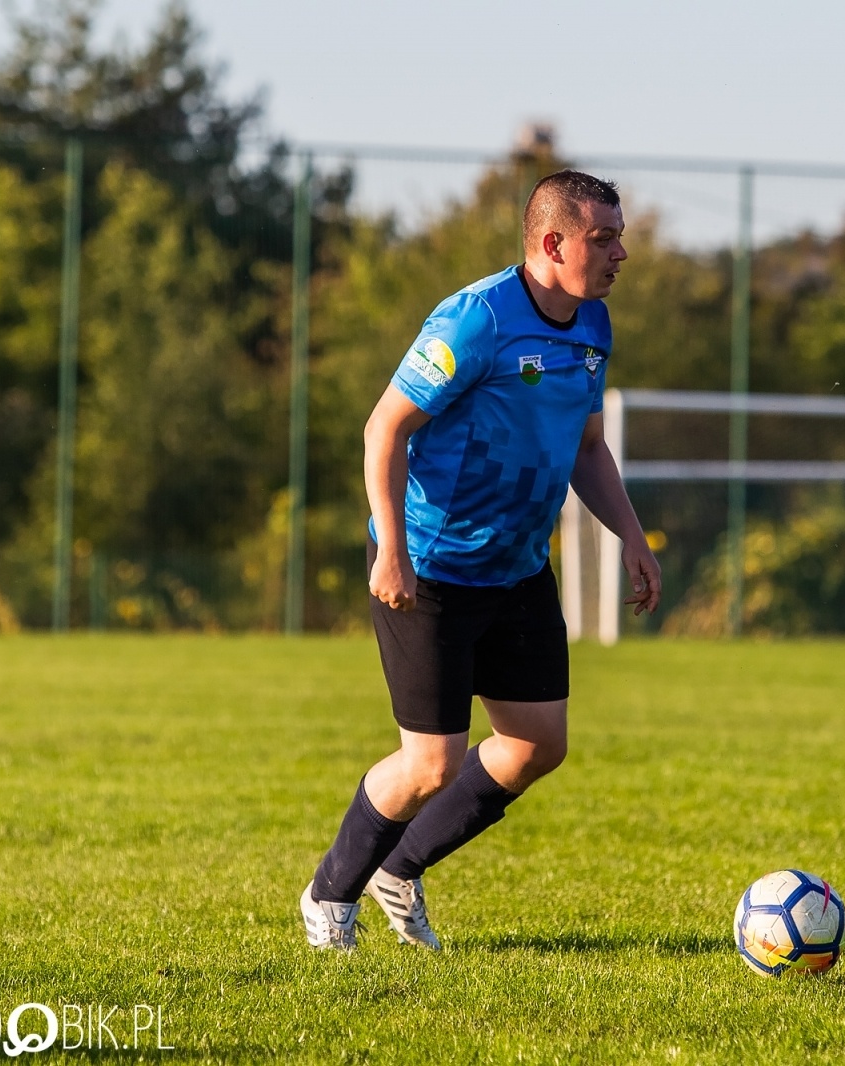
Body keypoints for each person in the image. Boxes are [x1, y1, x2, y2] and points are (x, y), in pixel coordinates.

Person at [299, 170, 662, 951]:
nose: (620, 252)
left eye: (619, 236)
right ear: (552, 242)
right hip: (431, 563)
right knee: (431, 763)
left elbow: (588, 448)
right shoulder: (476, 320)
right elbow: (384, 430)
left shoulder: (593, 325)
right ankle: (332, 895)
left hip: (518, 566)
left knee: (537, 744)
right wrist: (391, 549)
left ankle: (401, 870)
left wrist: (631, 534)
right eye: (604, 239)